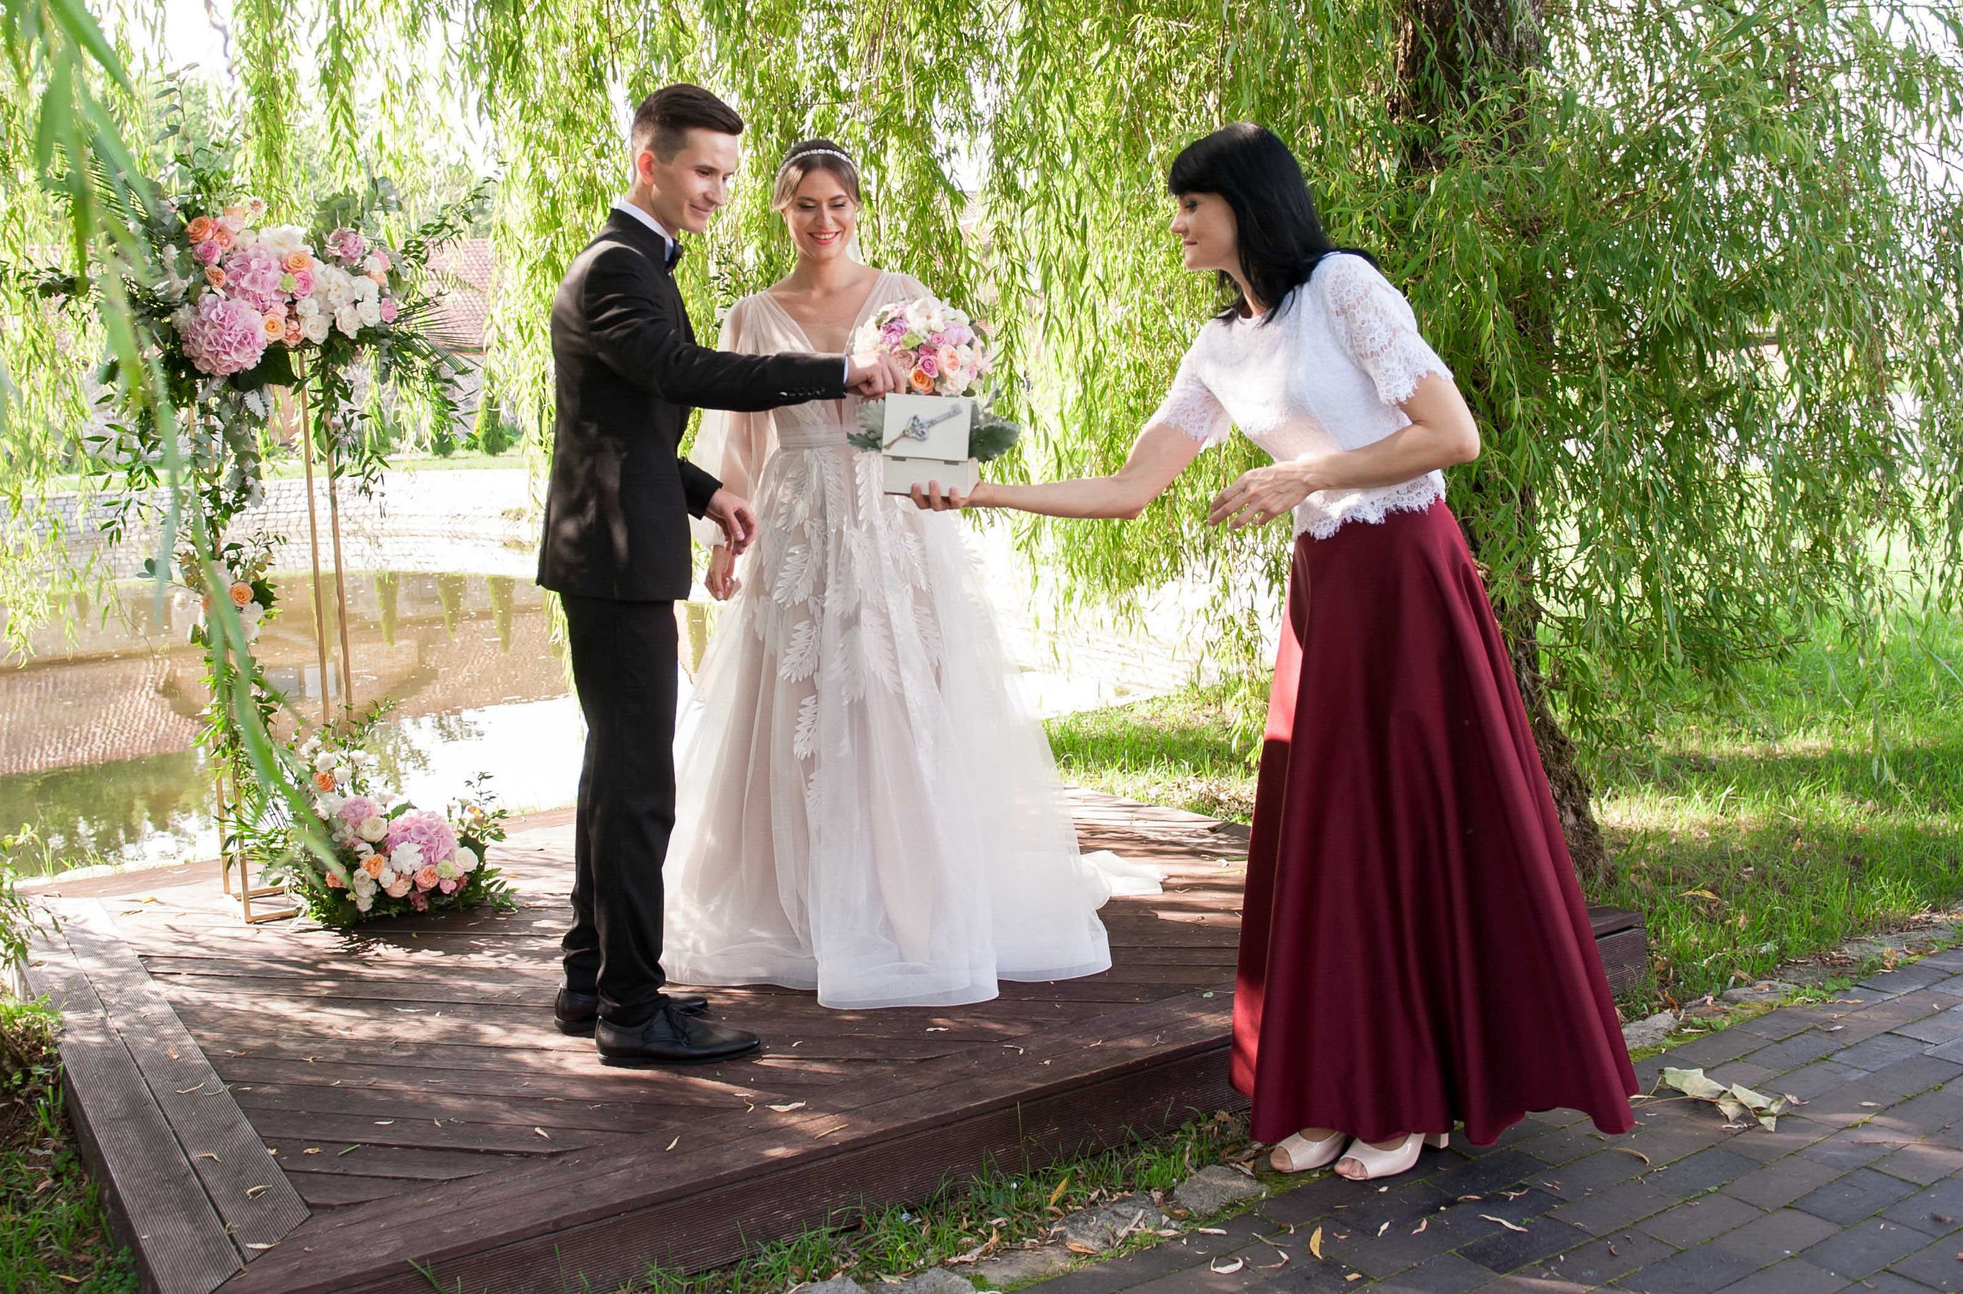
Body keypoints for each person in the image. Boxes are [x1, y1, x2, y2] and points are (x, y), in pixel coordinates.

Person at [911, 123, 1637, 1179]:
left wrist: (1303, 475)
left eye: (1190, 204)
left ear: (1244, 205)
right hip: (1329, 590)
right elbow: (1129, 489)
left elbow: (1452, 434)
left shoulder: (1344, 289)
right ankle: (1346, 1090)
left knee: (1404, 825)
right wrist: (978, 488)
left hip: (1409, 578)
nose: (1176, 223)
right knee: (1334, 838)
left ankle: (1410, 1104)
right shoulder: (1218, 349)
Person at [662, 141, 1157, 1009]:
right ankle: (798, 904)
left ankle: (911, 907)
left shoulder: (903, 301)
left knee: (898, 693)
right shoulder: (750, 314)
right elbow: (741, 442)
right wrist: (726, 538)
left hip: (890, 520)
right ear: (782, 210)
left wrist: (935, 476)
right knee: (797, 697)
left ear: (857, 209)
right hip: (795, 518)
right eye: (806, 204)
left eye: (838, 204)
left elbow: (935, 424)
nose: (824, 220)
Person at [538, 86, 905, 1067]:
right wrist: (837, 372)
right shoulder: (617, 268)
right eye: (704, 171)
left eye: (727, 176)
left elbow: (624, 424)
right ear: (647, 162)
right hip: (616, 556)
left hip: (619, 545)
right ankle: (630, 1008)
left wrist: (706, 495)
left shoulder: (633, 264)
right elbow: (685, 374)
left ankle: (591, 980)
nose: (716, 191)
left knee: (613, 776)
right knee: (638, 787)